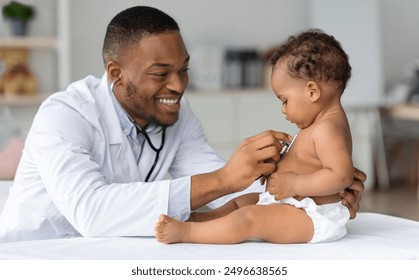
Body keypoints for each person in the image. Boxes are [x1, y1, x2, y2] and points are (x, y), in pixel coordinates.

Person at [0, 6, 365, 243]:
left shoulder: (174, 113)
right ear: (115, 73)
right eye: (161, 73)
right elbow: (92, 214)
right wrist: (226, 178)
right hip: (38, 254)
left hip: (115, 254)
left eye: (183, 69)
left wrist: (316, 194)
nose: (178, 85)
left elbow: (225, 190)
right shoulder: (63, 116)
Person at [155, 29, 362, 244]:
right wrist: (279, 166)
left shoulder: (327, 128)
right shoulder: (318, 124)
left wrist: (294, 183)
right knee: (242, 202)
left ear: (312, 92)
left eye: (284, 100)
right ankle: (200, 220)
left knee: (250, 218)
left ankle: (187, 233)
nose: (283, 110)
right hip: (293, 204)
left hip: (312, 215)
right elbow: (311, 163)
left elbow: (340, 176)